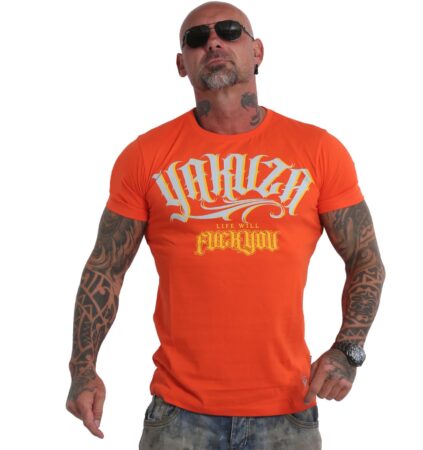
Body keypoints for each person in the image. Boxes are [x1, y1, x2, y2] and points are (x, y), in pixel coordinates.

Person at [66, 2, 386, 449]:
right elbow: (106, 268)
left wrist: (348, 350)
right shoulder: (145, 156)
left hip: (287, 412)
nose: (213, 42)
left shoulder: (318, 150)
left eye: (230, 31)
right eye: (196, 38)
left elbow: (365, 258)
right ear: (182, 64)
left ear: (257, 51)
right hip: (179, 416)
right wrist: (83, 369)